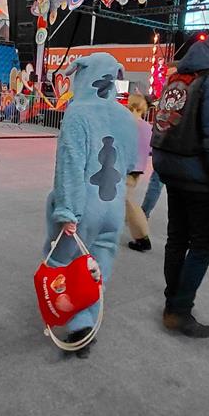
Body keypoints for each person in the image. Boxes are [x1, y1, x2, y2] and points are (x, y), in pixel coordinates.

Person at [43, 53, 138, 357]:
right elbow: (132, 162)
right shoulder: (125, 116)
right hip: (114, 204)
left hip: (85, 202)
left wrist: (67, 209)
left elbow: (70, 165)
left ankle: (71, 317)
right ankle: (86, 320)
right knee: (98, 265)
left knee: (62, 261)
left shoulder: (78, 113)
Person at [151, 30, 209, 339]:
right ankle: (180, 309)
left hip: (172, 167)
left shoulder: (179, 78)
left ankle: (172, 302)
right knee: (203, 243)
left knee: (177, 238)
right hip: (199, 173)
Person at [125, 93, 154, 252]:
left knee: (129, 202)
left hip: (126, 167)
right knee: (127, 199)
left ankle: (142, 236)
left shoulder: (127, 124)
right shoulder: (147, 127)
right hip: (138, 168)